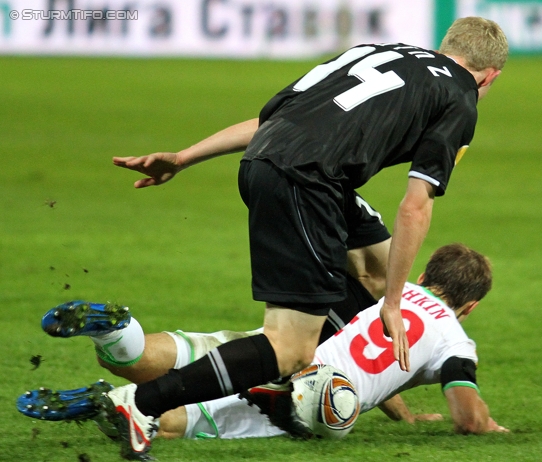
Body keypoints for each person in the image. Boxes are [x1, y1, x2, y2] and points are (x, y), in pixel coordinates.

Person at [95, 16, 507, 459]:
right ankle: (143, 405)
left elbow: (271, 119)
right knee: (289, 348)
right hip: (306, 181)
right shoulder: (461, 98)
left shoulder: (379, 51)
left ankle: (384, 400)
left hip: (274, 162)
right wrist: (391, 305)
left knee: (376, 270)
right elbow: (416, 205)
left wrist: (184, 157)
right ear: (490, 76)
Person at [18, 244, 508, 448]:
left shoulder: (391, 300)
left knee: (149, 358)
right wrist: (488, 425)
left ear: (423, 275)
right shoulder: (454, 338)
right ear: (471, 308)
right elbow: (466, 415)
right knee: (169, 421)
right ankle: (104, 402)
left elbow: (367, 353)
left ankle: (114, 331)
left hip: (275, 348)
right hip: (300, 396)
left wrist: (403, 414)